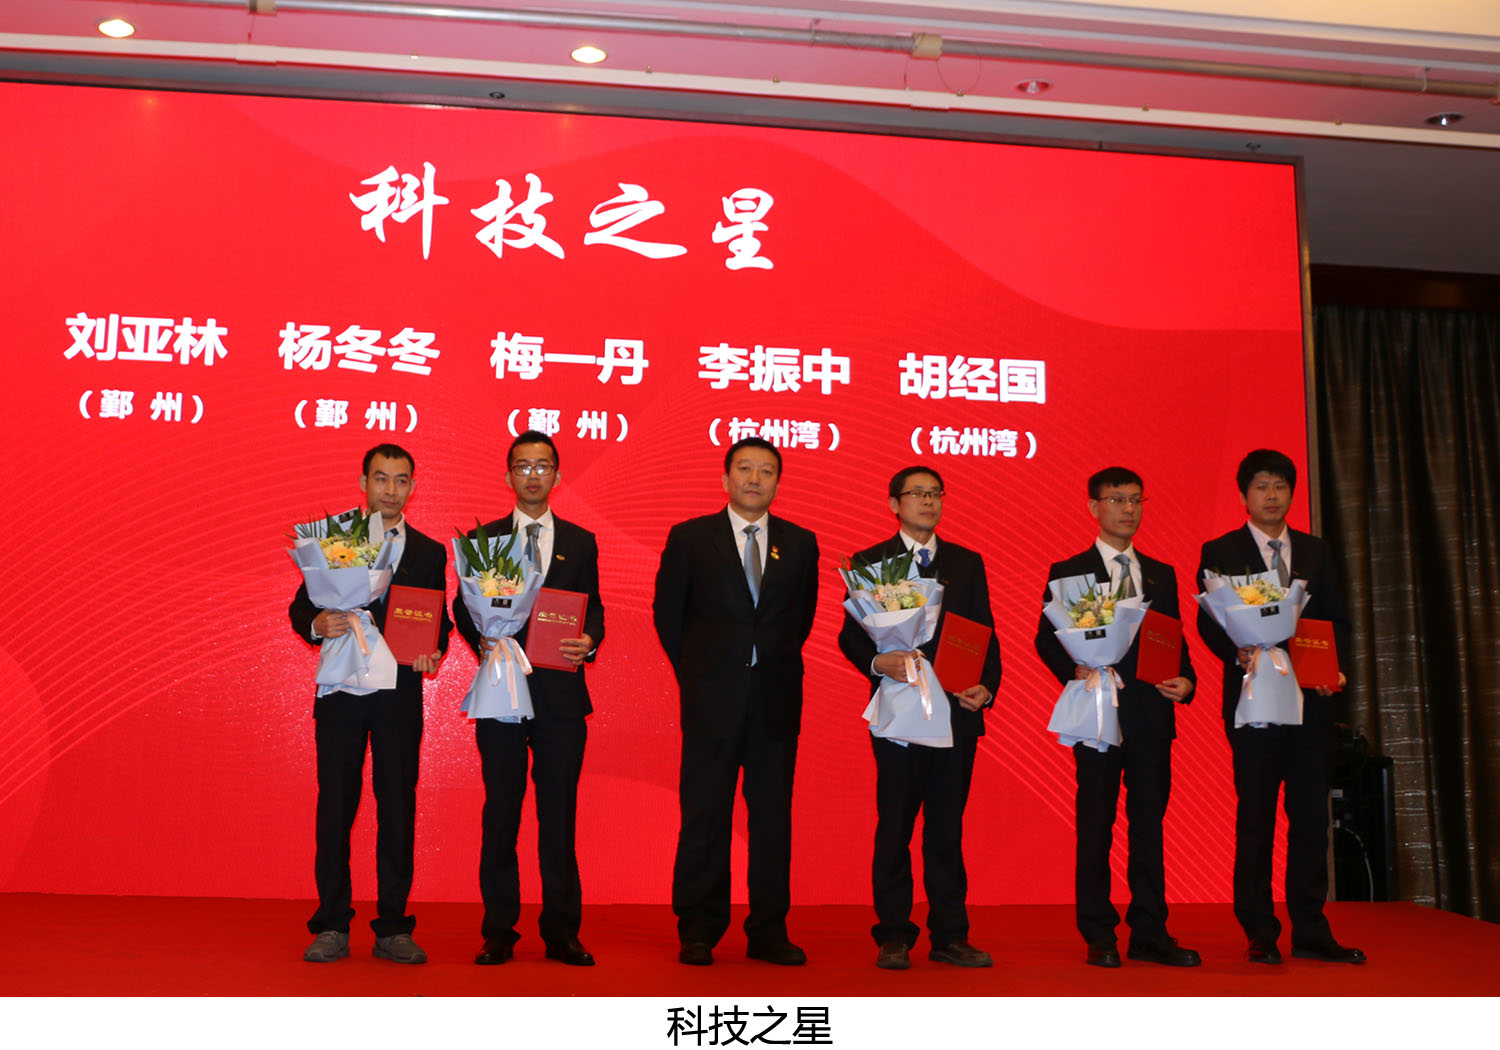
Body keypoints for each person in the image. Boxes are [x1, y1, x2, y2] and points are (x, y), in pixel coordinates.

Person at [652, 437, 820, 966]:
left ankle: (768, 930)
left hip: (775, 700)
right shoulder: (690, 537)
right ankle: (699, 928)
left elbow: (800, 619)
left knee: (771, 820)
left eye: (766, 471)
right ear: (725, 478)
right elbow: (668, 616)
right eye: (744, 468)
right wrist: (700, 673)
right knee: (705, 815)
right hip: (711, 699)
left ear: (777, 482)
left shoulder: (800, 543)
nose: (754, 479)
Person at [1196, 449, 1362, 965]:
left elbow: (1335, 619)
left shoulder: (1315, 551)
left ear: (1291, 493)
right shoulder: (1220, 550)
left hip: (1310, 701)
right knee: (1257, 814)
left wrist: (1333, 668)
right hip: (1253, 699)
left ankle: (1310, 928)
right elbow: (1208, 620)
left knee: (1310, 816)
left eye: (1280, 486)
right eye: (1261, 487)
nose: (1272, 496)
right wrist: (1236, 651)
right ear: (1244, 496)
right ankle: (1260, 930)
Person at [290, 443, 452, 964]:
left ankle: (393, 927)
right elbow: (301, 608)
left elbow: (438, 619)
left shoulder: (429, 551)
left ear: (412, 487)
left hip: (397, 695)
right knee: (336, 807)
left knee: (398, 807)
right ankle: (332, 925)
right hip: (341, 690)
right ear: (363, 482)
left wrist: (435, 649)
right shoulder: (333, 539)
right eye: (381, 478)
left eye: (401, 480)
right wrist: (317, 624)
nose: (390, 489)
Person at [837, 465, 1001, 970]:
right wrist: (876, 662)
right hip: (899, 712)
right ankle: (893, 934)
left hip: (955, 712)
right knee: (896, 825)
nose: (928, 502)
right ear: (894, 504)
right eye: (917, 494)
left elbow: (984, 631)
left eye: (935, 494)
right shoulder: (869, 563)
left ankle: (950, 935)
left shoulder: (966, 563)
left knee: (946, 828)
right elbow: (851, 635)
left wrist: (987, 686)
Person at [1033, 466, 1198, 968]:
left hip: (1150, 713)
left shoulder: (1161, 573)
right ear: (1094, 507)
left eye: (1136, 500)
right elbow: (1046, 638)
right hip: (1098, 712)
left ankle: (1150, 930)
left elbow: (1173, 636)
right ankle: (1098, 931)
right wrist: (1074, 667)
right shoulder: (1069, 571)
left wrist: (1187, 680)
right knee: (1096, 823)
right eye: (1116, 499)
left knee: (1149, 825)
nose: (1128, 509)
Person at [453, 431, 605, 967]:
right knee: (501, 811)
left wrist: (590, 640)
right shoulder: (486, 540)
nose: (533, 475)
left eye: (543, 466)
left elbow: (593, 607)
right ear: (508, 476)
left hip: (561, 695)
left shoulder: (580, 541)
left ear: (557, 475)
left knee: (558, 815)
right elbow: (461, 606)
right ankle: (499, 930)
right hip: (502, 689)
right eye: (523, 466)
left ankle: (562, 931)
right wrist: (480, 638)